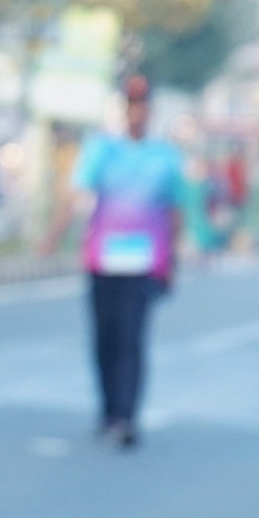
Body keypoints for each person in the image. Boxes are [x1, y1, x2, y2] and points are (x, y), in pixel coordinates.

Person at [70, 75, 186, 448]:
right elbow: (78, 193)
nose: (138, 113)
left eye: (143, 107)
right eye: (132, 106)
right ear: (124, 110)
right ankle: (108, 410)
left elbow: (175, 210)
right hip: (103, 262)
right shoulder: (102, 150)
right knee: (105, 337)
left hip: (145, 264)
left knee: (132, 337)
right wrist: (53, 238)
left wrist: (173, 259)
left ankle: (127, 416)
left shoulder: (166, 156)